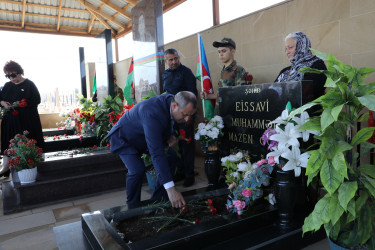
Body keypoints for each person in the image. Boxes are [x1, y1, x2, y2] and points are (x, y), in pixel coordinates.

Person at [106, 91, 197, 208]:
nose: (186, 120)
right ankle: (132, 207)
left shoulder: (172, 101)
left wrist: (170, 136)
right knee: (137, 169)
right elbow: (156, 153)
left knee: (171, 157)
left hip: (143, 137)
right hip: (124, 139)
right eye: (185, 114)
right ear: (175, 106)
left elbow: (168, 121)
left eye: (190, 115)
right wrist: (171, 189)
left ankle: (156, 202)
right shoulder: (152, 113)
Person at [0, 60, 45, 177]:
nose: (11, 78)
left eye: (14, 75)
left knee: (27, 143)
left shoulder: (29, 84)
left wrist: (19, 104)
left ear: (20, 72)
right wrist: (3, 102)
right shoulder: (7, 86)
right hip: (10, 121)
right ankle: (6, 167)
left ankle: (29, 170)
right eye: (8, 76)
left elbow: (36, 100)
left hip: (27, 121)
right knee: (8, 144)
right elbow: (1, 99)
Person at [162, 48, 198, 187]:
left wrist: (190, 115)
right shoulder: (165, 74)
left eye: (176, 58)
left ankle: (190, 175)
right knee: (175, 145)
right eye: (170, 59)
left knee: (187, 145)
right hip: (172, 116)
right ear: (166, 61)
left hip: (185, 116)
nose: (174, 61)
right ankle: (181, 172)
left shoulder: (186, 72)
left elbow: (193, 95)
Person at [275, 31, 327, 98]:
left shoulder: (316, 65)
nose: (287, 52)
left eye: (290, 47)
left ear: (302, 46)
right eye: (286, 49)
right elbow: (272, 91)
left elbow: (308, 91)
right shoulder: (285, 71)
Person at [201, 37, 249, 104]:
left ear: (233, 51)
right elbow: (221, 94)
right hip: (220, 112)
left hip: (229, 113)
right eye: (219, 52)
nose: (221, 54)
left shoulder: (238, 70)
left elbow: (241, 95)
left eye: (224, 51)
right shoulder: (224, 70)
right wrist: (208, 96)